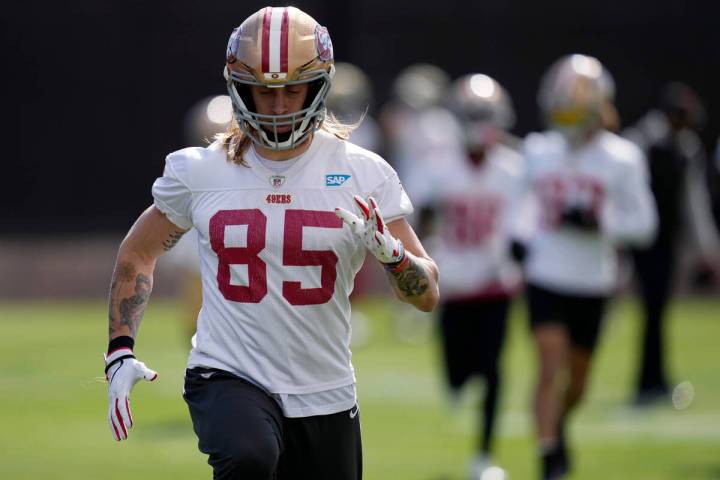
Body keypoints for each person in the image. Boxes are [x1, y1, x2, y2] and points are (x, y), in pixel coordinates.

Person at [102, 7, 439, 480]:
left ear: (320, 86)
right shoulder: (201, 170)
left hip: (325, 389)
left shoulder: (363, 172)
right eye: (264, 90)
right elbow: (140, 251)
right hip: (227, 374)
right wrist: (119, 349)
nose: (279, 107)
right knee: (249, 457)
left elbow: (425, 295)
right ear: (239, 89)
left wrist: (394, 256)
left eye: (292, 90)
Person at [516, 54, 657, 480]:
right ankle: (548, 457)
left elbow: (645, 225)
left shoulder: (622, 157)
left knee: (576, 384)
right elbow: (519, 207)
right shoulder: (539, 151)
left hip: (594, 281)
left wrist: (601, 222)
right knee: (549, 363)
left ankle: (556, 427)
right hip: (545, 275)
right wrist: (517, 240)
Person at [423, 74, 524, 480]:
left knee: (494, 369)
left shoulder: (513, 167)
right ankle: (463, 385)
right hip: (455, 283)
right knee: (456, 375)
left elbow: (525, 222)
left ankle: (484, 454)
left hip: (496, 283)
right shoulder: (441, 166)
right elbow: (422, 213)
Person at [623, 82, 720, 405]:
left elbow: (694, 201)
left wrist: (708, 250)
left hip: (667, 240)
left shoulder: (687, 148)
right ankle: (649, 382)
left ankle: (654, 379)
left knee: (658, 311)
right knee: (652, 310)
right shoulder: (642, 143)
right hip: (641, 240)